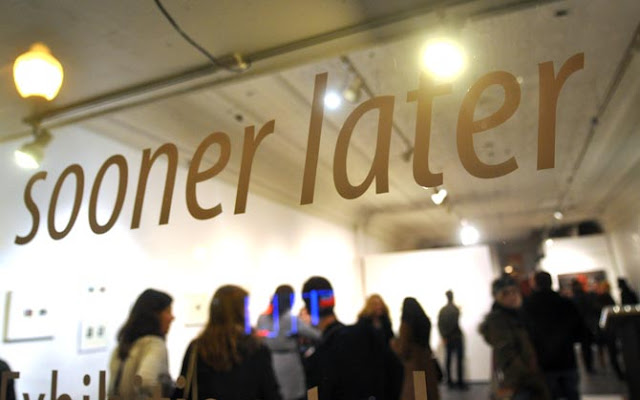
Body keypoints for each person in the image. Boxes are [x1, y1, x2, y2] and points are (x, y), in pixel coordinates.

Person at [301, 276, 403, 400]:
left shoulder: (317, 358)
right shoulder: (366, 333)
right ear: (333, 301)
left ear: (309, 309)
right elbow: (396, 370)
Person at [174, 285, 281, 400]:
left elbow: (183, 390)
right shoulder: (256, 348)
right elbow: (270, 392)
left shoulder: (197, 348)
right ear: (240, 312)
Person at [479, 275, 549, 400]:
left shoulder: (519, 315)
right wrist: (530, 377)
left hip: (530, 379)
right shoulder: (498, 320)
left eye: (514, 291)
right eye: (505, 293)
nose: (512, 296)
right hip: (520, 383)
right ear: (496, 296)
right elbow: (507, 355)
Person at [522, 271, 584, 400]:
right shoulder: (565, 303)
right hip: (566, 356)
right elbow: (578, 328)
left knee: (549, 394)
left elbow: (526, 332)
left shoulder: (528, 306)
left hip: (543, 360)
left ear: (535, 284)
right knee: (572, 393)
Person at [257, 285, 321, 400]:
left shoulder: (262, 319)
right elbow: (317, 336)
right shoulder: (291, 320)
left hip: (268, 363)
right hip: (290, 364)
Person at [108, 289, 175, 400]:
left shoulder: (122, 346)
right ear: (154, 315)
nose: (172, 317)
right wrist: (170, 388)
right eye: (168, 312)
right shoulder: (155, 345)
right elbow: (145, 381)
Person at [393, 298, 440, 400]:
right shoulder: (425, 321)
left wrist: (394, 344)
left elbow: (403, 348)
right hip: (427, 362)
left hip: (415, 365)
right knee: (430, 393)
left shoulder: (406, 324)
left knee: (420, 395)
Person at [437, 290, 467, 390]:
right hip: (456, 337)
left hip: (448, 338)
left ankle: (450, 382)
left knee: (449, 360)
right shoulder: (455, 309)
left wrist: (444, 336)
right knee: (458, 360)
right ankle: (459, 382)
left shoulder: (443, 310)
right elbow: (454, 323)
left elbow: (440, 324)